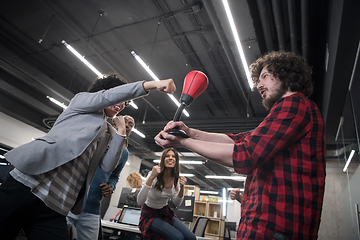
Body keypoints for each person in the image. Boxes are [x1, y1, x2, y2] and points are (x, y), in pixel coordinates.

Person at [154, 51, 326, 239]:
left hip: (274, 229)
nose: (259, 85)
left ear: (286, 75)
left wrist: (182, 142)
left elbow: (245, 155)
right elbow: (238, 140)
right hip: (270, 228)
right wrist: (189, 132)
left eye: (266, 76)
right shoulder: (289, 112)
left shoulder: (294, 104)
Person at [0, 75, 176, 240]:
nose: (122, 105)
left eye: (125, 103)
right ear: (104, 92)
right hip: (27, 185)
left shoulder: (110, 133)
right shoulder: (81, 102)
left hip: (55, 205)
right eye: (120, 99)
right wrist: (152, 85)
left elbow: (107, 166)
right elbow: (106, 98)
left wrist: (121, 133)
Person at [66, 115, 135, 240]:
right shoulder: (96, 137)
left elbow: (114, 176)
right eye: (125, 121)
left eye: (131, 125)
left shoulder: (124, 153)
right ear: (114, 122)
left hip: (92, 207)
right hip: (69, 202)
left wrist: (111, 187)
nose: (128, 126)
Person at [137, 148, 196, 240]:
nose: (170, 158)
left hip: (164, 212)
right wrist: (151, 177)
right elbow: (140, 201)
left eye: (173, 156)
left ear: (176, 161)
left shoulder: (176, 179)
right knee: (178, 237)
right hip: (149, 214)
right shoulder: (154, 175)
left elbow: (177, 204)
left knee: (191, 237)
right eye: (167, 156)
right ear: (163, 159)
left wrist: (182, 187)